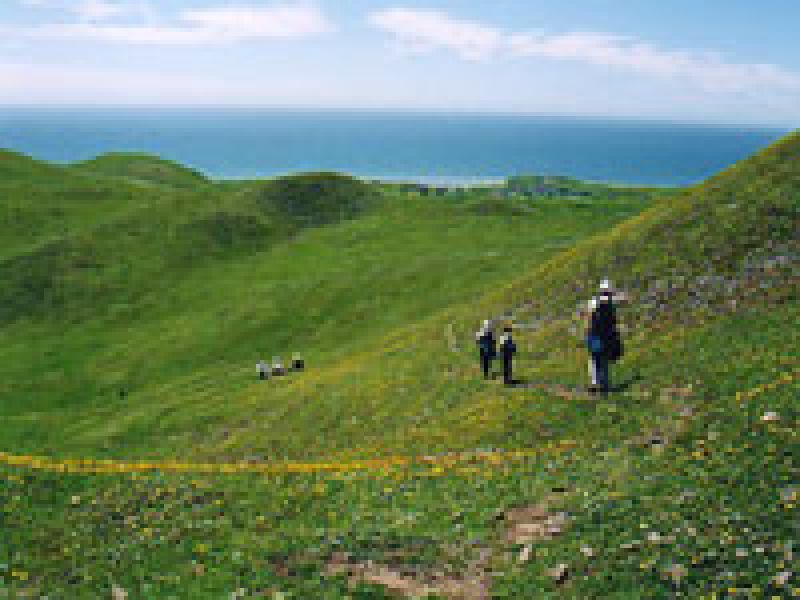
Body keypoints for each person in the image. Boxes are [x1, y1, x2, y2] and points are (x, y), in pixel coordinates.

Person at [585, 279, 626, 393]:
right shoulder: (611, 302)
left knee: (594, 359)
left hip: (594, 334)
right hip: (606, 335)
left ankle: (595, 383)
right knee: (603, 360)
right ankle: (604, 384)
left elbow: (589, 317)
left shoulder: (594, 301)